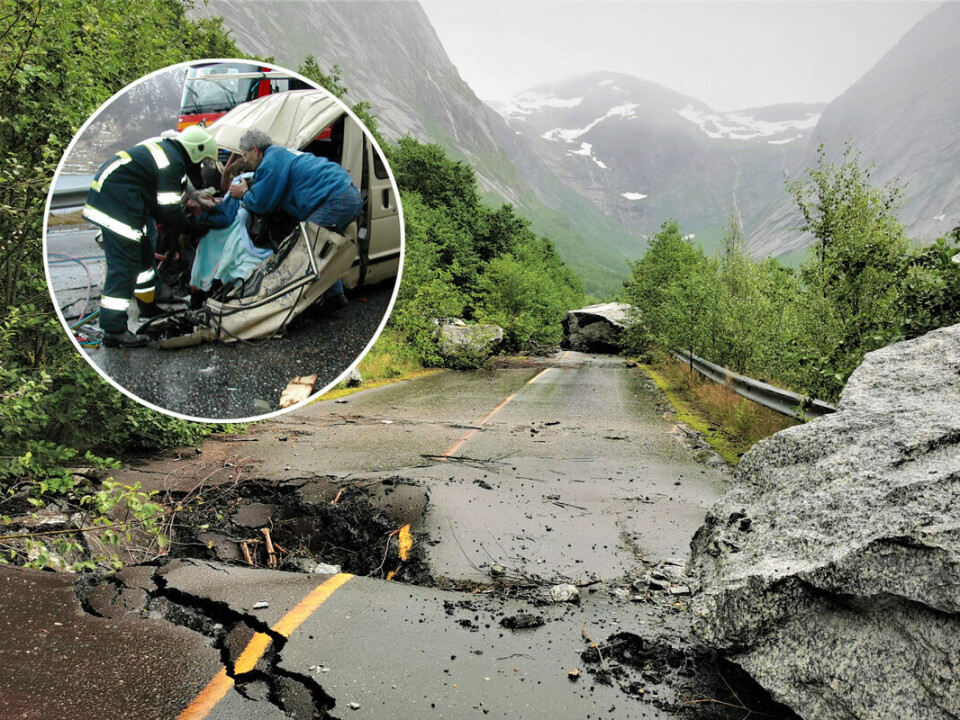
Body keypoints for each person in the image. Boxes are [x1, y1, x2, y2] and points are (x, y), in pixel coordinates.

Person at [82, 126, 217, 348]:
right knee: (124, 267)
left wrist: (196, 198)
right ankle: (114, 330)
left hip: (126, 201)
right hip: (116, 206)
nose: (201, 166)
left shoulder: (172, 155)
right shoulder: (171, 161)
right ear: (195, 151)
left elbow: (179, 187)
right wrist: (192, 227)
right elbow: (169, 209)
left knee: (144, 257)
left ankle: (148, 306)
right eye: (202, 161)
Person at [228, 129, 362, 306]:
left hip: (334, 199)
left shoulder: (270, 162)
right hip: (347, 193)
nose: (245, 160)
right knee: (324, 249)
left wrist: (244, 192)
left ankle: (296, 303)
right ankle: (335, 296)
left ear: (255, 149)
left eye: (245, 155)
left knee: (307, 247)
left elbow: (261, 203)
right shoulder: (280, 153)